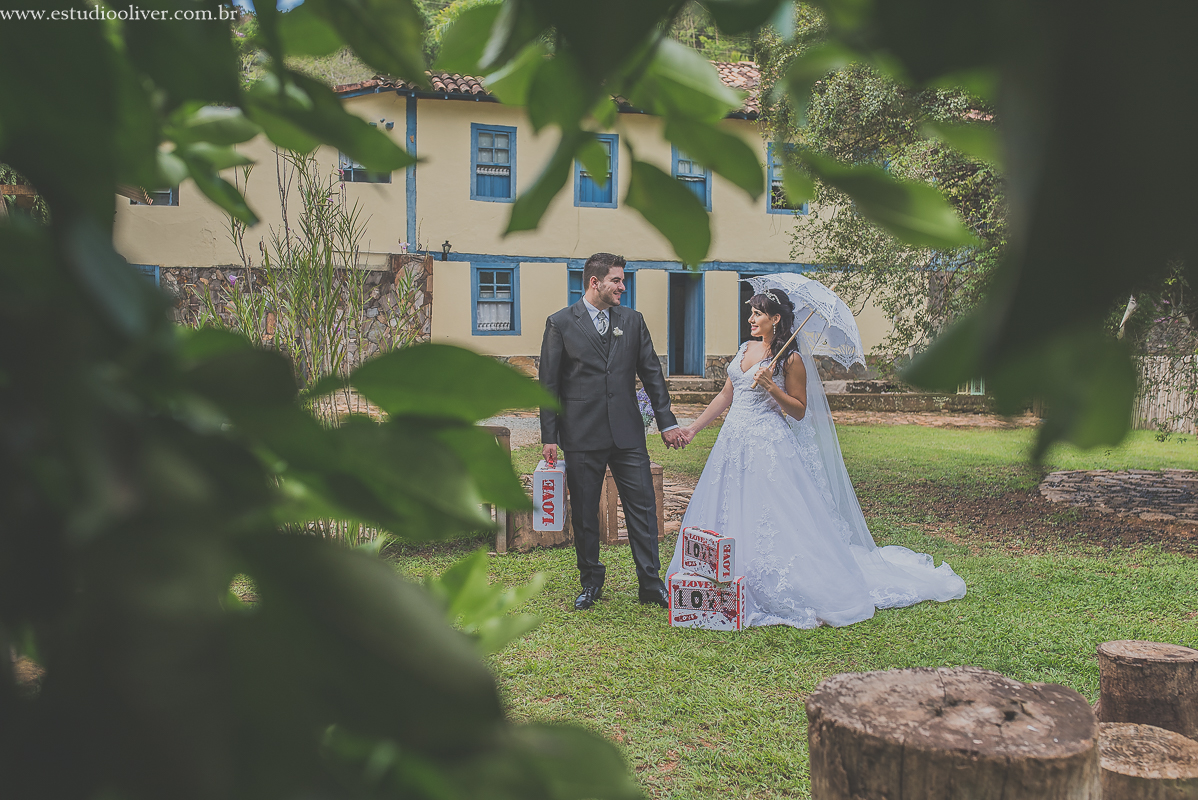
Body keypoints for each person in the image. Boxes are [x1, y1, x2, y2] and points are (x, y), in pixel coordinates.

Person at [667, 290, 966, 628]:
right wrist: (693, 428)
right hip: (732, 442)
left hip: (768, 444)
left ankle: (776, 582)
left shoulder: (790, 360)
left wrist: (772, 387)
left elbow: (799, 410)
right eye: (751, 313)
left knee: (771, 513)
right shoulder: (745, 349)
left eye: (757, 313)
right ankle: (727, 574)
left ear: (775, 319)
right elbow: (726, 395)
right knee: (728, 506)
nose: (750, 319)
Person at [540, 253, 689, 611]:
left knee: (643, 508)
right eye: (617, 280)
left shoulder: (632, 321)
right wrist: (549, 437)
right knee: (585, 513)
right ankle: (591, 582)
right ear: (595, 282)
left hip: (627, 433)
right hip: (581, 433)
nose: (623, 287)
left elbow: (651, 373)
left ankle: (650, 584)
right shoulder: (560, 323)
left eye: (623, 280)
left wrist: (666, 422)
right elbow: (548, 384)